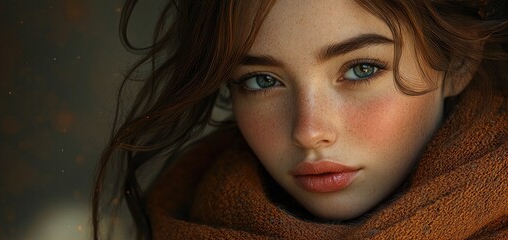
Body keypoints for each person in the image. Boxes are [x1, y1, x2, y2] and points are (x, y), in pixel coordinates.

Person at [92, 0, 508, 239]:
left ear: (455, 63)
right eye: (261, 80)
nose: (309, 131)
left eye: (361, 69)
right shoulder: (178, 219)